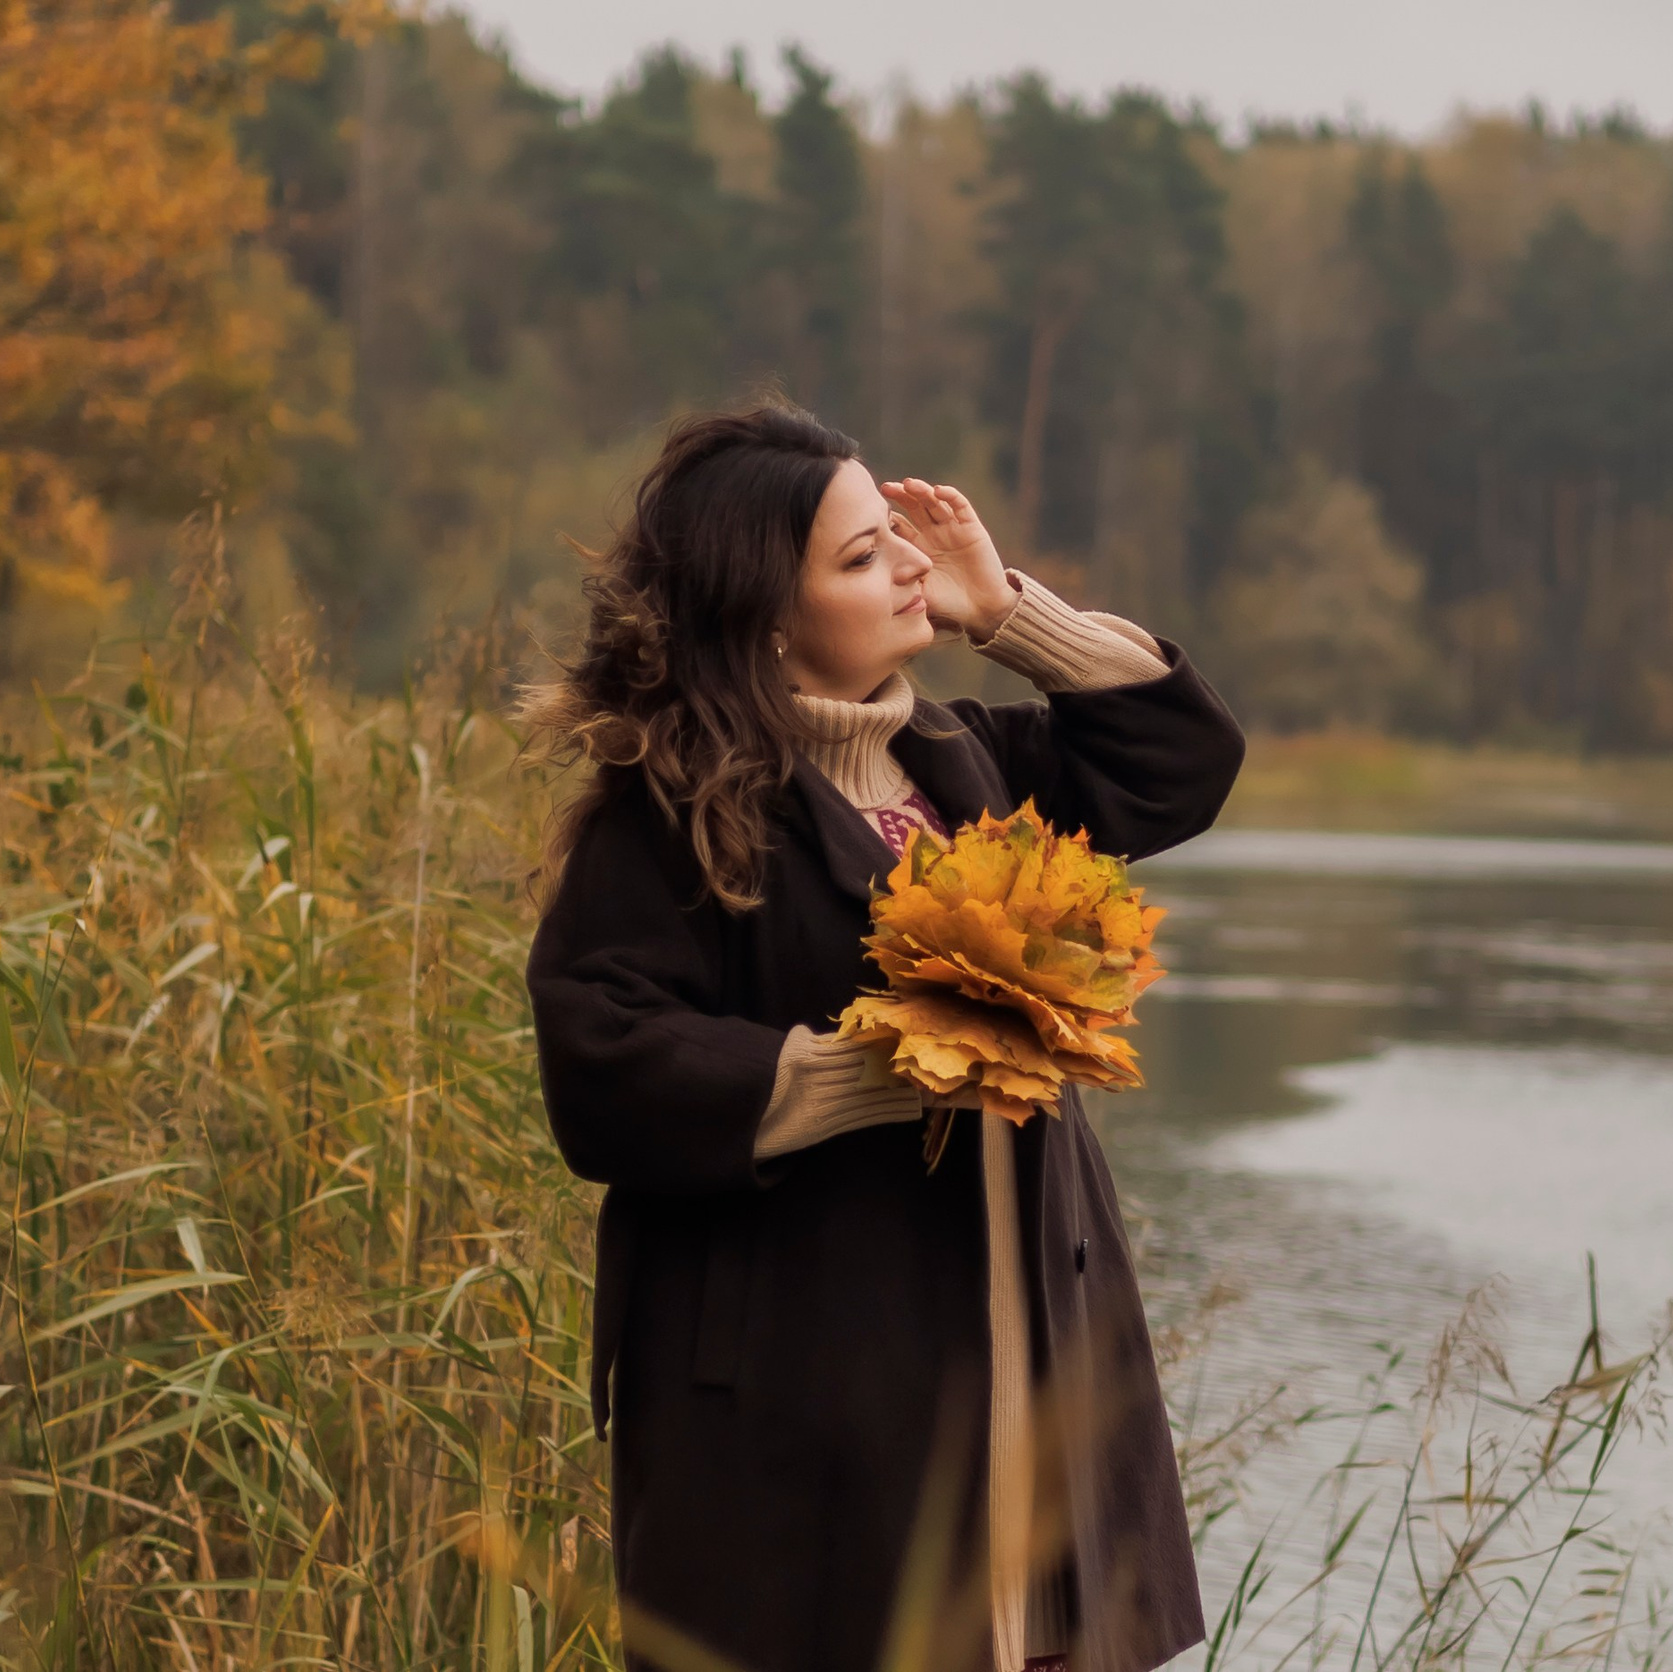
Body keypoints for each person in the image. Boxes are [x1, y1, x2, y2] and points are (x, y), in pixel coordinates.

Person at [521, 402, 1244, 1672]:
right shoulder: (675, 810)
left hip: (1030, 1344)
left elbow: (1177, 759)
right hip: (813, 1380)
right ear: (765, 617)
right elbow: (601, 1058)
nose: (910, 563)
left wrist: (1006, 612)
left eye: (895, 535)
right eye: (863, 556)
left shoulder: (966, 759)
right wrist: (872, 1068)